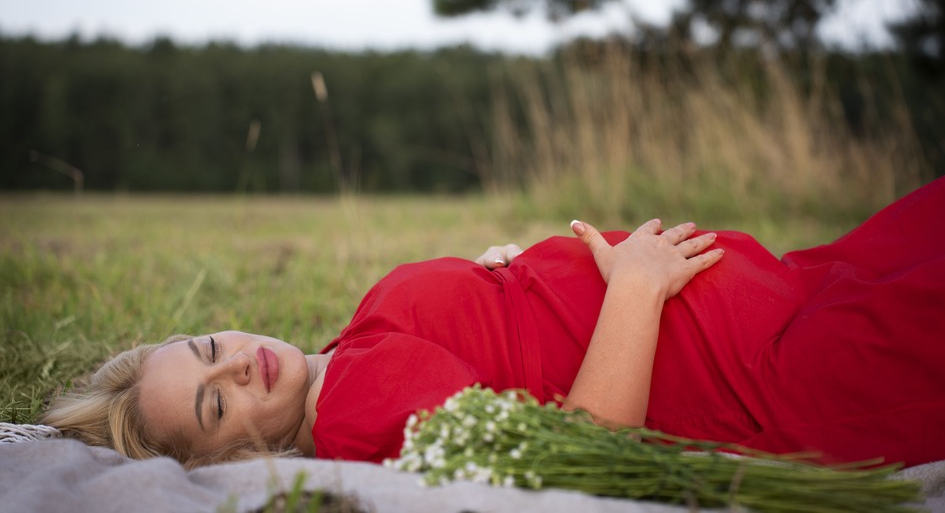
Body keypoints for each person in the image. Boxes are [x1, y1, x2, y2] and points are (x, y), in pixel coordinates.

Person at [43, 177, 945, 471]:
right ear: (239, 460)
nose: (237, 368)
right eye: (213, 405)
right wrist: (629, 286)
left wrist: (507, 284)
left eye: (209, 350)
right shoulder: (353, 406)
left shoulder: (341, 360)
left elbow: (482, 356)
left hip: (778, 301)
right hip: (767, 373)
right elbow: (582, 443)